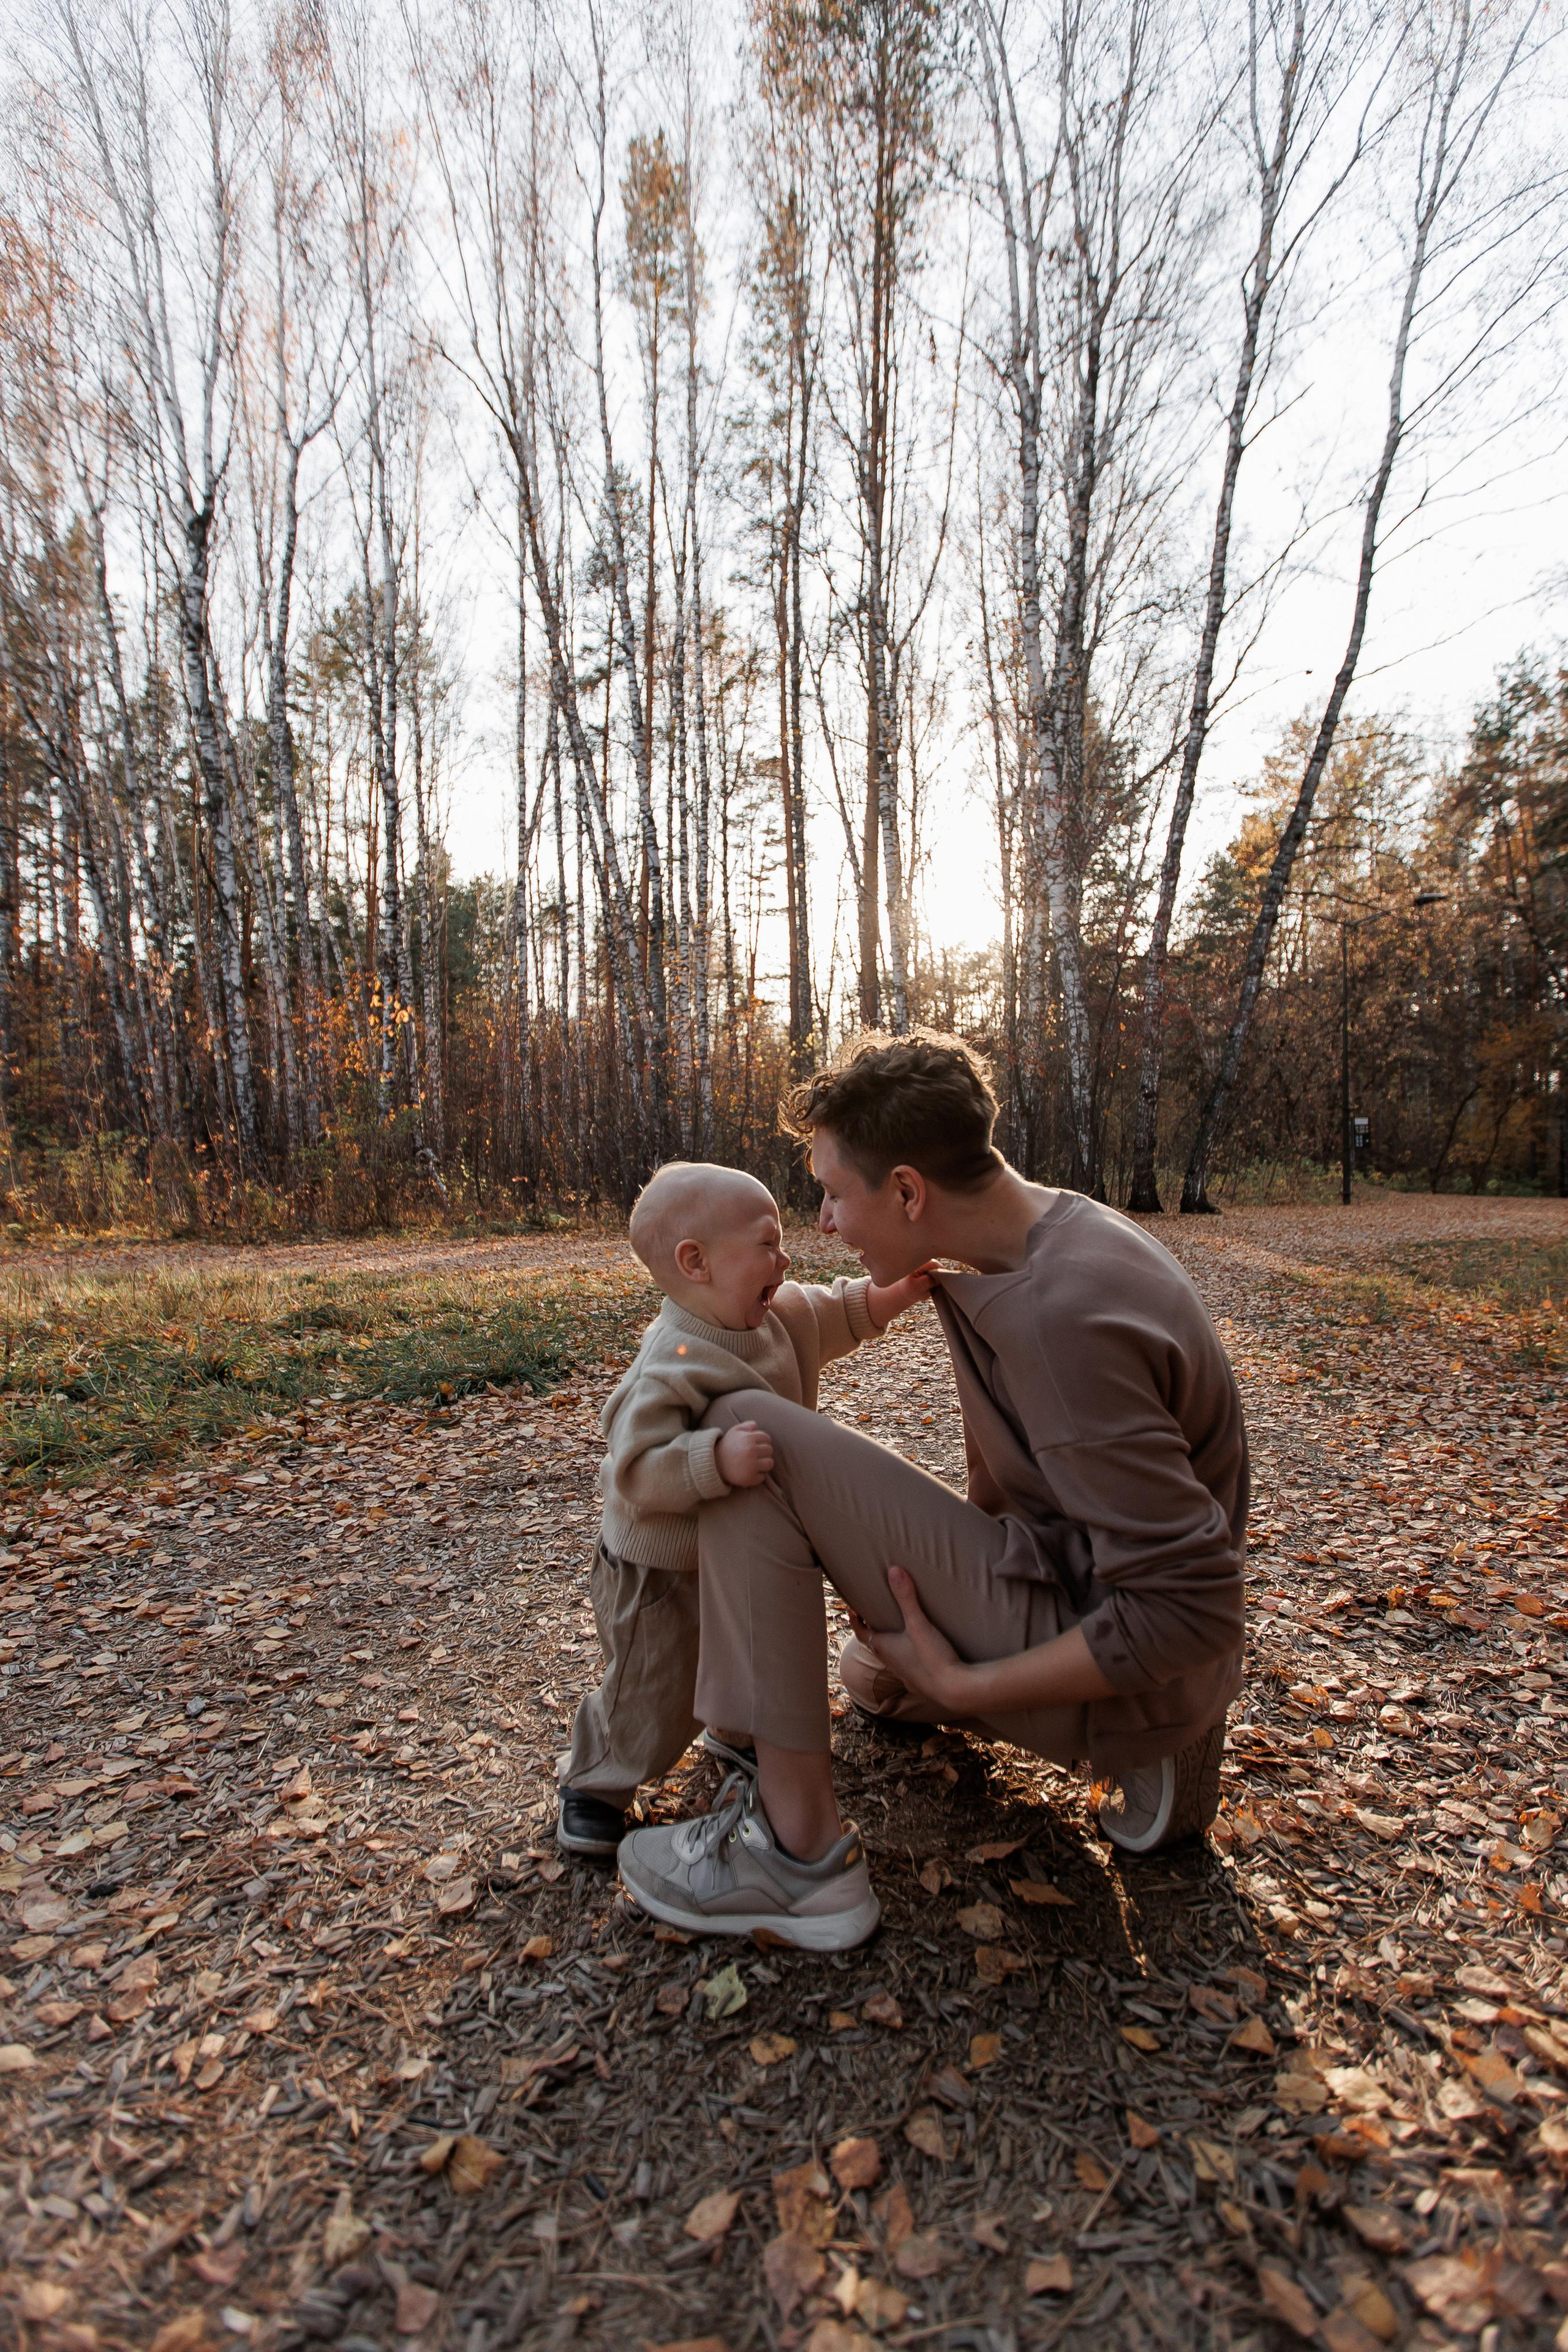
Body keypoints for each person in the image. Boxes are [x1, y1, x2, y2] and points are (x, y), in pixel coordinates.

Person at [616, 1033, 1248, 1951]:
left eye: (835, 1192)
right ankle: (1145, 1726)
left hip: (1122, 1626)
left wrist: (967, 1676)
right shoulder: (1046, 1231)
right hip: (1071, 1574)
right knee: (871, 1678)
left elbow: (1195, 1610)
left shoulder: (1065, 1323)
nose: (825, 1224)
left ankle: (796, 1859)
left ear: (909, 1190)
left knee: (747, 1436)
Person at [556, 1159, 932, 1856]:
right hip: (655, 1571)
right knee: (654, 1688)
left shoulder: (774, 1315)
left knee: (741, 1648)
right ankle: (595, 1782)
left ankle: (735, 1732)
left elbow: (836, 1310)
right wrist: (712, 1461)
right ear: (695, 1263)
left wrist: (895, 1292)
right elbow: (635, 1469)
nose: (785, 1258)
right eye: (766, 1243)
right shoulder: (672, 1358)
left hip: (726, 1553)